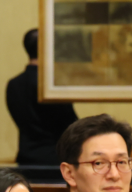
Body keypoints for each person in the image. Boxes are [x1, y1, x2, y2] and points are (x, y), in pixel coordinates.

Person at [6, 29, 78, 165]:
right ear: (47, 47)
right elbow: (70, 124)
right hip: (55, 160)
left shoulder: (13, 84)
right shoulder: (52, 86)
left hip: (25, 157)